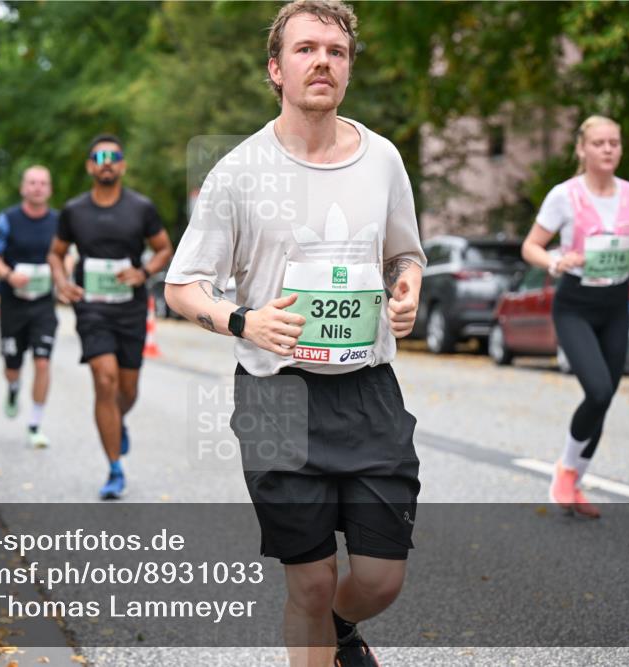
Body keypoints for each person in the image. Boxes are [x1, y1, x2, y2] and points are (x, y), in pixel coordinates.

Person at [164, 2, 426, 665]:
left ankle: (342, 626)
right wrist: (241, 320)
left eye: (337, 52)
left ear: (348, 69)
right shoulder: (240, 172)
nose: (323, 62)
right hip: (274, 395)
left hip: (367, 388)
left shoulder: (383, 160)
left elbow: (407, 254)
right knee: (308, 580)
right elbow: (181, 284)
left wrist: (407, 290)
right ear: (276, 68)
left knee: (379, 577)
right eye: (307, 49)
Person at [522, 115, 629, 519]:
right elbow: (531, 246)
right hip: (575, 304)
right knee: (598, 389)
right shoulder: (564, 195)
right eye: (598, 143)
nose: (607, 150)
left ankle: (574, 482)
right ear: (582, 150)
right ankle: (565, 472)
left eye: (614, 143)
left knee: (606, 397)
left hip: (616, 304)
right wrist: (554, 261)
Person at [49, 135, 172, 500]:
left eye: (113, 156)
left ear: (122, 165)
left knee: (127, 389)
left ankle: (118, 422)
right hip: (92, 308)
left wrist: (145, 271)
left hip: (130, 308)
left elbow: (164, 247)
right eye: (99, 157)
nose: (106, 162)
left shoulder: (141, 208)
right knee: (104, 380)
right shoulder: (74, 211)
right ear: (89, 165)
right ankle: (115, 467)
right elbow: (55, 254)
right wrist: (60, 281)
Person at [0, 166, 60, 448]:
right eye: (32, 183)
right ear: (23, 188)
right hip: (12, 303)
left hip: (43, 304)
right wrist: (8, 275)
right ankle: (13, 388)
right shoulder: (8, 219)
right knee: (12, 367)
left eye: (43, 183)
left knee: (43, 361)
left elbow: (67, 256)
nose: (37, 187)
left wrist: (62, 277)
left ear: (49, 189)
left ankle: (35, 424)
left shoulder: (59, 222)